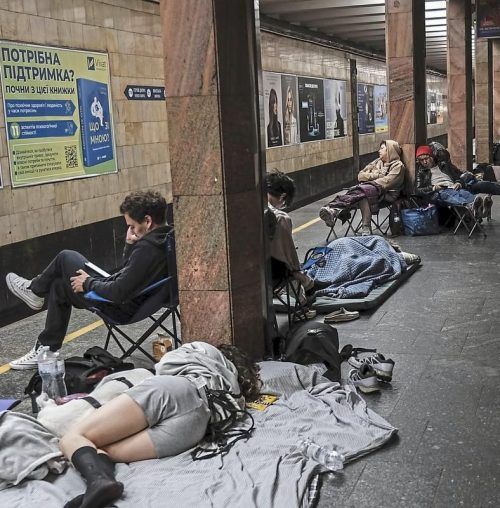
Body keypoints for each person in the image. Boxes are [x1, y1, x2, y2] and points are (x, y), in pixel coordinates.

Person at [59, 341, 261, 508]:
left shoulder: (205, 350)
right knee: (105, 449)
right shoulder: (236, 394)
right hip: (195, 426)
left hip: (176, 390)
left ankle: (98, 481)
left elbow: (165, 364)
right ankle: (98, 491)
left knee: (73, 437)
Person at [5, 190, 170, 370]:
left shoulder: (148, 249)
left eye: (132, 226)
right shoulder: (167, 238)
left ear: (147, 221)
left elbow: (118, 292)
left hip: (119, 306)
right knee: (60, 285)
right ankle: (46, 347)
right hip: (135, 299)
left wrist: (87, 283)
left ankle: (34, 291)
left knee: (65, 257)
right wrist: (130, 244)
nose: (131, 230)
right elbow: (128, 271)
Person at [319, 140, 406, 235]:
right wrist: (378, 175)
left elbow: (387, 182)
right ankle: (364, 227)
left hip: (387, 195)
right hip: (369, 192)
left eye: (382, 148)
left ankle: (333, 210)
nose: (379, 151)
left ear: (390, 150)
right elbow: (360, 175)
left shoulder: (398, 166)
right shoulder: (377, 161)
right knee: (363, 194)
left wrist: (370, 177)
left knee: (363, 192)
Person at [266, 170, 314, 294]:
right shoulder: (280, 217)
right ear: (283, 196)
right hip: (272, 271)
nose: (281, 207)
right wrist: (296, 270)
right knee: (292, 271)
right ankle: (303, 290)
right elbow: (287, 257)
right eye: (283, 204)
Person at [425, 142, 500, 218]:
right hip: (452, 190)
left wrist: (462, 179)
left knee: (485, 185)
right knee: (463, 193)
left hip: (462, 185)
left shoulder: (445, 165)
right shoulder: (425, 173)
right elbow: (425, 188)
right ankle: (479, 209)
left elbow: (459, 174)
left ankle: (481, 208)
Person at [414, 145, 484, 219]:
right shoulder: (421, 173)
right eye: (421, 160)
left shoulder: (445, 165)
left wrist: (458, 183)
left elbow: (458, 176)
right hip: (440, 192)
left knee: (465, 193)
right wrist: (433, 188)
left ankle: (481, 207)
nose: (424, 162)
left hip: (453, 187)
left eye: (426, 159)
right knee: (448, 194)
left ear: (432, 157)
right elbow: (418, 190)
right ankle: (470, 207)